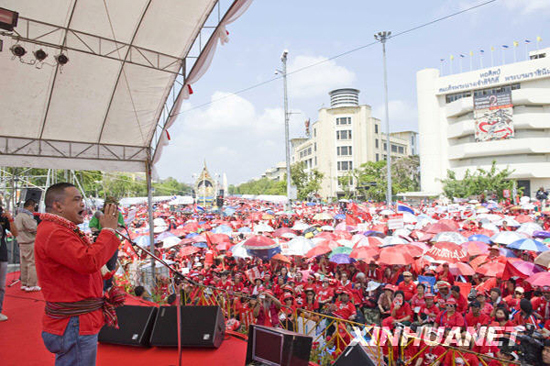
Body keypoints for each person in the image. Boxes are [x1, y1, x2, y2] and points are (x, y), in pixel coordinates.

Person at [35, 183, 121, 366]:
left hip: (76, 321)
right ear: (58, 206)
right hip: (74, 323)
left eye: (81, 199)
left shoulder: (58, 229)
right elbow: (87, 262)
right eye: (76, 200)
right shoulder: (55, 232)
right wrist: (107, 231)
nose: (82, 204)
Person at [15, 199, 39, 292]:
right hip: (29, 241)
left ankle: (24, 283)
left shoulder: (18, 216)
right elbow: (33, 228)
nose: (34, 209)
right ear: (30, 206)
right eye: (33, 207)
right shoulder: (26, 216)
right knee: (32, 263)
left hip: (21, 241)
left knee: (24, 263)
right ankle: (31, 284)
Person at [0, 201, 18, 322]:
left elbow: (15, 233)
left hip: (2, 255)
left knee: (1, 286)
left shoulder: (3, 216)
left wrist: (11, 219)